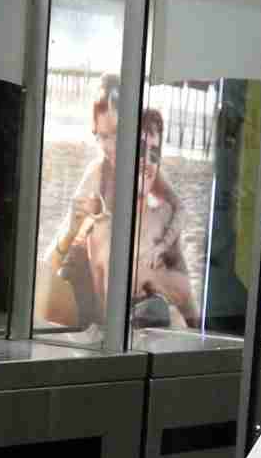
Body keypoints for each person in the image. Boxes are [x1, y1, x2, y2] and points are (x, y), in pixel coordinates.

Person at [40, 77, 201, 331]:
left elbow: (178, 210)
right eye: (100, 137)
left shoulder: (152, 178)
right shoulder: (98, 171)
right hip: (83, 280)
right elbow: (62, 242)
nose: (108, 147)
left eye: (115, 135)